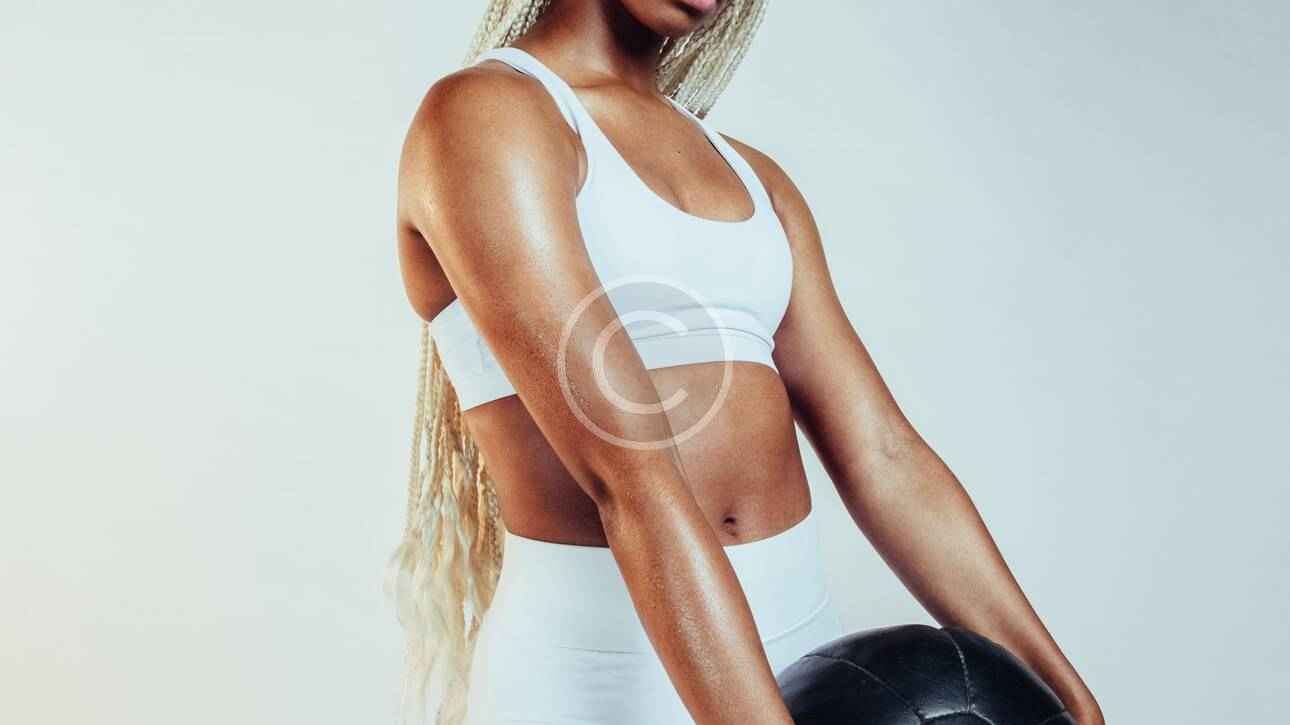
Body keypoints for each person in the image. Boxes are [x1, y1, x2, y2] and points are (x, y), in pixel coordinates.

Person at [389, 2, 1104, 724]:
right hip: (602, 675)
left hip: (803, 652)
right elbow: (631, 478)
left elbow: (885, 455)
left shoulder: (755, 179)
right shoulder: (486, 117)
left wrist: (1073, 703)